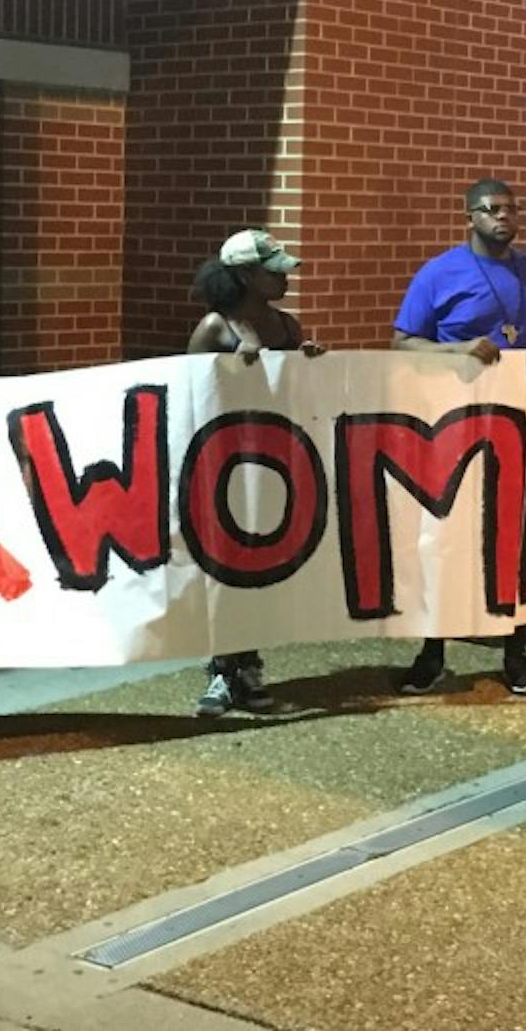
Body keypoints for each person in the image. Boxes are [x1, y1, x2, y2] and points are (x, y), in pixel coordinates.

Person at [392, 178, 526, 697]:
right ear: (469, 216)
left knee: (515, 539)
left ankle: (515, 649)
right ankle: (433, 651)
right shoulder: (439, 272)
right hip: (453, 426)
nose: (504, 218)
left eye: (511, 210)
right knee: (446, 538)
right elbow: (402, 343)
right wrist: (456, 351)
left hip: (522, 424)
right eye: (491, 210)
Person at [187, 229, 325, 716]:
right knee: (225, 566)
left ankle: (249, 666)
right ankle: (223, 669)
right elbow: (189, 393)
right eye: (274, 270)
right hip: (223, 463)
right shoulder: (215, 328)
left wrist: (308, 365)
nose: (284, 277)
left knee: (262, 565)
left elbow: (294, 396)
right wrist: (230, 370)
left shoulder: (287, 327)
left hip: (272, 463)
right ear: (246, 275)